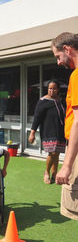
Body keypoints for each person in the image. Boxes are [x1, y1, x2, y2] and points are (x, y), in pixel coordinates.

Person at [51, 32, 78, 220]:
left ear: (67, 49)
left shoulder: (76, 76)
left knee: (73, 203)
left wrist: (67, 165)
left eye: (58, 56)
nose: (58, 62)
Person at [28, 80, 66, 184]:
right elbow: (37, 118)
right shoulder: (43, 101)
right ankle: (47, 172)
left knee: (57, 153)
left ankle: (55, 174)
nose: (52, 90)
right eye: (50, 88)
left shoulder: (61, 100)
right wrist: (32, 133)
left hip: (60, 131)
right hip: (48, 131)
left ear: (58, 89)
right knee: (52, 152)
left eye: (54, 88)